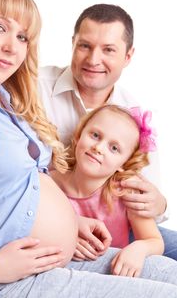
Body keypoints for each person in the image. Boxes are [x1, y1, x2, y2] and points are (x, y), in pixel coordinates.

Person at [0, 0, 177, 298]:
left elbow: (21, 184)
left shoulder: (4, 101)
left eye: (22, 37)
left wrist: (72, 220)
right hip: (0, 278)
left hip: (64, 245)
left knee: (171, 272)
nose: (12, 47)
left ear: (127, 56)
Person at [38, 3, 177, 260]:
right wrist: (65, 228)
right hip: (47, 217)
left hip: (116, 226)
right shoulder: (35, 88)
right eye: (85, 46)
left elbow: (150, 202)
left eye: (109, 50)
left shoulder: (134, 117)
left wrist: (160, 203)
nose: (93, 60)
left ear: (128, 56)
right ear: (72, 44)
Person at [51, 104, 166, 277]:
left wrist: (139, 249)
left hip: (112, 274)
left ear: (124, 164)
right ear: (78, 136)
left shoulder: (127, 193)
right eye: (95, 135)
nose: (99, 148)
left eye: (114, 148)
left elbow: (155, 241)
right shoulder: (49, 183)